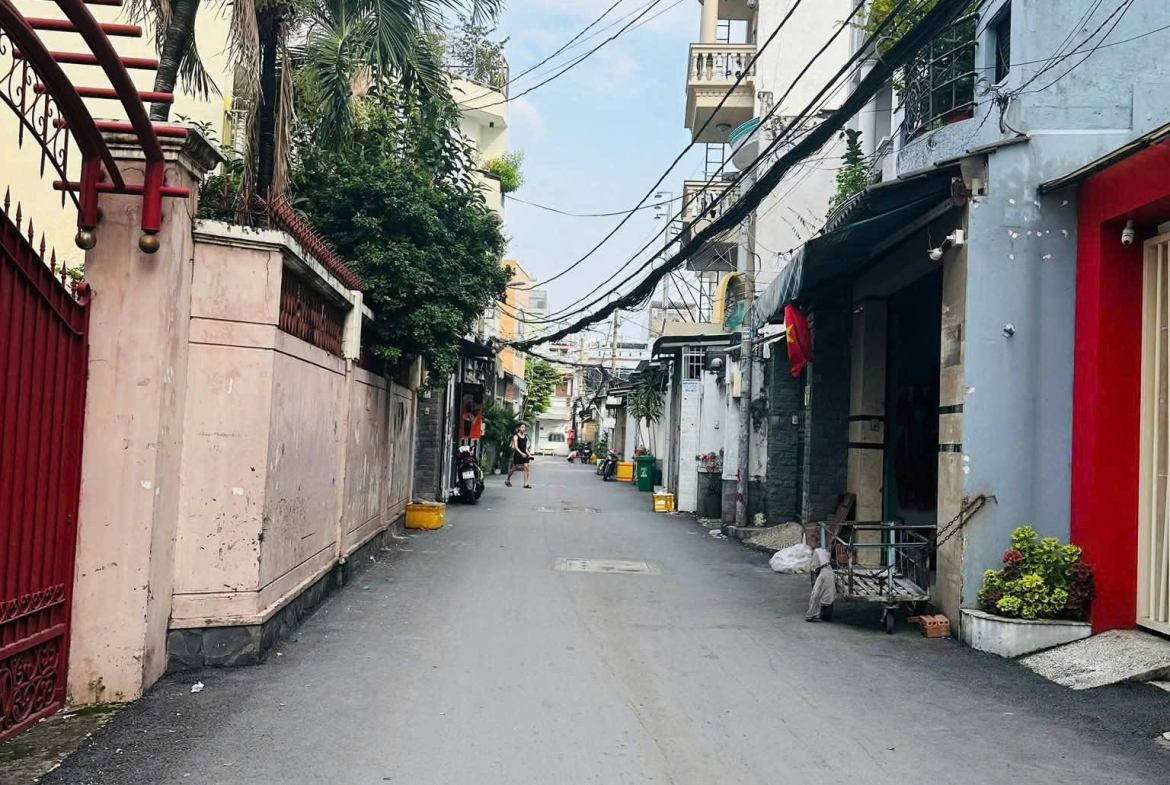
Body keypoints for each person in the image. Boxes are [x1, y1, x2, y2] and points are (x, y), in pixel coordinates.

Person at [806, 548, 836, 622]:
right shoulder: (824, 552)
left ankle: (811, 614)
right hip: (830, 572)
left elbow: (814, 569)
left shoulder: (816, 553)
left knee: (815, 594)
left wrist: (813, 583)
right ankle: (819, 613)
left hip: (824, 572)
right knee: (828, 593)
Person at [506, 424, 532, 488]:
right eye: (522, 427)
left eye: (524, 427)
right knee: (515, 468)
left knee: (527, 467)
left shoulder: (525, 437)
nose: (524, 428)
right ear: (519, 428)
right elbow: (516, 447)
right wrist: (521, 453)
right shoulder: (516, 436)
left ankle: (526, 484)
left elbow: (525, 448)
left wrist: (529, 454)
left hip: (524, 455)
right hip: (518, 454)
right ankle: (508, 480)